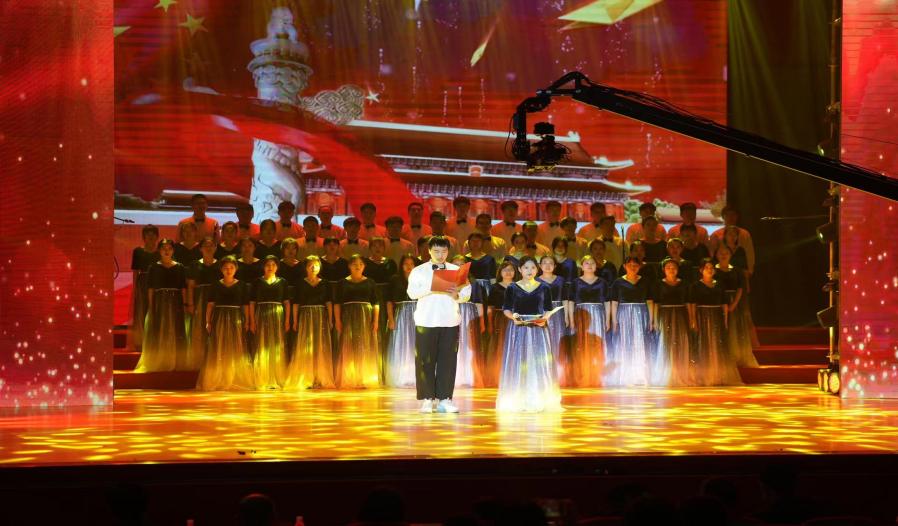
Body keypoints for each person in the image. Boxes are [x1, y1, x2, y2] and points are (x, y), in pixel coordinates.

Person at [406, 236, 472, 413]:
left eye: (444, 251)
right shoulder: (419, 271)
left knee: (448, 361)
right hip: (426, 320)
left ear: (448, 252)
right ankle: (427, 399)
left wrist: (456, 295)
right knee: (425, 360)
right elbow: (411, 293)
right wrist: (431, 287)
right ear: (428, 251)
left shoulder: (456, 270)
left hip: (449, 320)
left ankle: (445, 399)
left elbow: (466, 294)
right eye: (436, 251)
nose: (440, 255)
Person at [498, 256, 562, 412]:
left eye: (533, 267)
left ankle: (540, 398)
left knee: (538, 361)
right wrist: (513, 317)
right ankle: (518, 399)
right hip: (518, 328)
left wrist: (544, 318)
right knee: (519, 361)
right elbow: (507, 309)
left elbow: (548, 309)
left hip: (538, 328)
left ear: (537, 269)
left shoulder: (544, 288)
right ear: (520, 269)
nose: (529, 270)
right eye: (526, 267)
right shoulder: (512, 288)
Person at [197, 256, 254, 390]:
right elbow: (210, 305)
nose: (229, 270)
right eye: (226, 268)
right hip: (219, 318)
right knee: (219, 347)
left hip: (236, 318)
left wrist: (247, 321)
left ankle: (234, 378)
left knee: (236, 347)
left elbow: (245, 305)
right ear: (221, 269)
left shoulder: (242, 285)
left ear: (236, 269)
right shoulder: (215, 285)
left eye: (231, 268)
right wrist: (208, 321)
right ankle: (219, 378)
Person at [135, 239, 188, 372]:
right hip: (159, 303)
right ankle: (160, 360)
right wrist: (151, 305)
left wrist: (185, 304)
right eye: (164, 248)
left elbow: (183, 288)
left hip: (176, 303)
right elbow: (151, 289)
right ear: (159, 251)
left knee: (175, 330)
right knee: (159, 330)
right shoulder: (153, 267)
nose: (166, 251)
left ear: (173, 251)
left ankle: (175, 361)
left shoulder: (180, 267)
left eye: (169, 248)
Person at [284, 255, 336, 389]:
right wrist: (295, 320)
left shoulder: (325, 283)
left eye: (316, 265)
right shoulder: (300, 283)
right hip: (305, 316)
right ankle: (307, 377)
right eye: (310, 265)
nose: (313, 268)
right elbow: (296, 303)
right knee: (306, 347)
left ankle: (320, 377)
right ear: (306, 268)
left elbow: (329, 302)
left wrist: (331, 319)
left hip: (321, 316)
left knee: (320, 346)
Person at [689, 258, 741, 386]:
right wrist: (693, 320)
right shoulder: (695, 285)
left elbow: (724, 303)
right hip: (702, 316)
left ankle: (718, 375)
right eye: (707, 268)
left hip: (717, 317)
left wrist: (725, 320)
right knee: (703, 345)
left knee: (718, 345)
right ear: (701, 270)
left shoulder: (720, 284)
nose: (710, 270)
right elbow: (693, 304)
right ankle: (703, 376)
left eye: (712, 268)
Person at [335, 254, 381, 388]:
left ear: (364, 267)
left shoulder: (370, 282)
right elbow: (337, 303)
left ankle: (363, 377)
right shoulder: (342, 282)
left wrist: (376, 320)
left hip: (365, 317)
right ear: (349, 266)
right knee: (348, 345)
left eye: (361, 264)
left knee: (364, 346)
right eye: (354, 264)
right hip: (348, 316)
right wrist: (337, 320)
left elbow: (376, 303)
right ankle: (349, 377)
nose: (358, 266)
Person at [607, 256, 654, 387]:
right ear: (624, 266)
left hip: (641, 313)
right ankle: (626, 376)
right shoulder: (618, 282)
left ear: (640, 267)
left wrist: (651, 320)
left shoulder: (645, 281)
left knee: (640, 343)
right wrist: (614, 320)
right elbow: (614, 302)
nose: (633, 267)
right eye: (630, 265)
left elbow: (650, 301)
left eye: (635, 265)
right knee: (625, 343)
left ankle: (641, 376)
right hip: (624, 314)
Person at [566, 255, 610, 387]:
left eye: (592, 263)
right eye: (586, 263)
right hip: (581, 314)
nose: (590, 265)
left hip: (598, 315)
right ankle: (581, 375)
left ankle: (596, 376)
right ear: (581, 266)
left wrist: (608, 319)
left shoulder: (603, 282)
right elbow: (570, 301)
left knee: (596, 344)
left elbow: (607, 302)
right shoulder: (575, 282)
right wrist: (571, 319)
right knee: (581, 345)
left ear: (597, 266)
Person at [249, 256, 291, 389]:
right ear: (263, 266)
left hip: (277, 314)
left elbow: (286, 302)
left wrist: (287, 320)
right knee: (262, 344)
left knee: (276, 344)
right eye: (268, 265)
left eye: (273, 265)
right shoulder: (257, 282)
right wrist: (252, 320)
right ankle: (263, 377)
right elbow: (252, 303)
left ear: (277, 267)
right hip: (261, 314)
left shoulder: (282, 282)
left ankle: (277, 376)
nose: (270, 267)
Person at [715, 245, 758, 368]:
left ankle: (736, 357)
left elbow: (740, 288)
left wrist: (734, 304)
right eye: (721, 253)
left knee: (735, 329)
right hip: (718, 302)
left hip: (734, 303)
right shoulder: (712, 269)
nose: (723, 255)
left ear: (730, 255)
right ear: (716, 255)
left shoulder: (737, 271)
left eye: (726, 253)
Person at [652, 258, 692, 386]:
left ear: (678, 269)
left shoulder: (685, 283)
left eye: (674, 267)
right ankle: (667, 372)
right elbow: (656, 303)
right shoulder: (658, 284)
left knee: (680, 343)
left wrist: (691, 318)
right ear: (663, 270)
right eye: (668, 267)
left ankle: (680, 373)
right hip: (665, 315)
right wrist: (654, 320)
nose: (671, 270)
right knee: (666, 343)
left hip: (680, 315)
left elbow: (688, 302)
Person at [184, 236, 218, 371]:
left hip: (215, 300)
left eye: (211, 245)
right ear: (200, 248)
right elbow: (191, 286)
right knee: (199, 329)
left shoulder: (220, 264)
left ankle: (214, 360)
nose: (208, 248)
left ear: (215, 248)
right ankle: (200, 360)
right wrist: (190, 304)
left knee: (215, 328)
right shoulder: (194, 265)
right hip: (199, 300)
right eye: (206, 245)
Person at [385, 255, 418, 388]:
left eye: (411, 264)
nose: (409, 266)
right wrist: (391, 319)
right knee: (401, 343)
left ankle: (416, 376)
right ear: (401, 265)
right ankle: (401, 376)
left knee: (415, 344)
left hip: (417, 313)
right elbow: (389, 301)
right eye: (406, 264)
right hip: (401, 313)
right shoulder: (395, 279)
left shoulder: (420, 279)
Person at [451, 254, 483, 388]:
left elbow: (479, 303)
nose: (459, 267)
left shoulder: (473, 283)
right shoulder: (446, 281)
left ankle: (467, 376)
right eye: (456, 264)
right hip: (451, 313)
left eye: (461, 264)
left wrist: (481, 322)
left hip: (468, 315)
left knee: (467, 344)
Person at [483, 261, 517, 388]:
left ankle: (514, 376)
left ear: (515, 272)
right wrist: (489, 323)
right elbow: (490, 307)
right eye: (505, 270)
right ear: (500, 272)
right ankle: (498, 377)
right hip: (500, 319)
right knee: (499, 347)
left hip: (516, 319)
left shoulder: (519, 286)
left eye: (511, 269)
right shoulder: (495, 287)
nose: (508, 272)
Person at [537, 255, 569, 386]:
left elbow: (565, 299)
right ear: (540, 266)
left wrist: (566, 316)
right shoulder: (535, 280)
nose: (547, 265)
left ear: (555, 266)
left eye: (551, 263)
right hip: (542, 312)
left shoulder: (561, 280)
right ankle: (543, 374)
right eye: (544, 263)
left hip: (558, 312)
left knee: (557, 340)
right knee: (543, 341)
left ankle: (558, 375)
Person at [129, 225, 159, 351]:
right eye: (148, 234)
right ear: (143, 237)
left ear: (157, 237)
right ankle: (140, 341)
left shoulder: (160, 251)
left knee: (155, 311)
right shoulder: (138, 251)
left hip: (157, 283)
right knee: (141, 312)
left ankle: (155, 340)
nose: (150, 237)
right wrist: (135, 288)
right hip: (142, 283)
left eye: (153, 234)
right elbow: (136, 272)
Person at [709, 205, 755, 278]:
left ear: (737, 216)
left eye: (733, 215)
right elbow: (711, 255)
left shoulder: (744, 234)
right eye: (727, 215)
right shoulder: (716, 234)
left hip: (740, 270)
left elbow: (749, 253)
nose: (731, 217)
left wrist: (750, 270)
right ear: (723, 217)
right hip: (721, 271)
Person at [465, 232, 497, 300]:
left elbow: (493, 277)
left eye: (478, 241)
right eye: (473, 241)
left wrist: (494, 291)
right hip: (469, 288)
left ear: (482, 243)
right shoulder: (464, 259)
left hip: (486, 288)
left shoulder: (490, 259)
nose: (475, 243)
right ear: (469, 243)